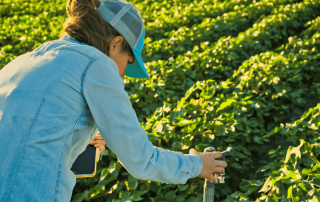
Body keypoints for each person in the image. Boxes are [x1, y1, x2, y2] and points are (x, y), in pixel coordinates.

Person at [0, 0, 227, 201]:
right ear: (116, 43)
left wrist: (78, 145)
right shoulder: (96, 63)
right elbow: (141, 160)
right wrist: (196, 165)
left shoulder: (23, 62)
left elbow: (26, 145)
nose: (122, 75)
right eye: (127, 62)